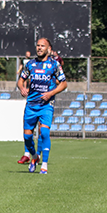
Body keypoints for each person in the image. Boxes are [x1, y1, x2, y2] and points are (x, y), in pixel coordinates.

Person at [17, 38, 68, 174]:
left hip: (46, 105)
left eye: (42, 46)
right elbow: (20, 80)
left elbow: (63, 83)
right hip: (31, 105)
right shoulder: (30, 64)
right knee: (27, 137)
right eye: (38, 45)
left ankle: (44, 164)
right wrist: (22, 88)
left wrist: (51, 93)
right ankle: (34, 157)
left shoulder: (54, 65)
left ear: (48, 48)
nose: (39, 48)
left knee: (44, 132)